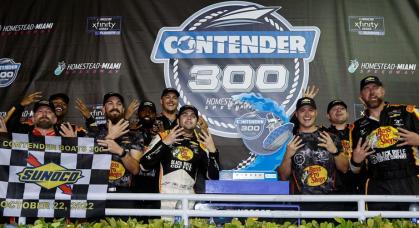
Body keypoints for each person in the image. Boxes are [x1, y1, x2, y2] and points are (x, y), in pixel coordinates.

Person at [350, 76, 419, 211]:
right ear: (361, 96)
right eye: (366, 89)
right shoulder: (356, 127)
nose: (372, 92)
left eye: (375, 88)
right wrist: (356, 161)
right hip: (378, 186)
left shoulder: (408, 112)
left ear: (383, 91)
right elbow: (354, 169)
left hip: (410, 181)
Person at [140, 105, 220, 219]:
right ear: (178, 120)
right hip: (164, 197)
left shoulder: (202, 144)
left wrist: (213, 152)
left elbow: (213, 177)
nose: (189, 117)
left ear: (197, 122)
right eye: (185, 115)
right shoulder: (164, 136)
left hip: (188, 199)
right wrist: (165, 143)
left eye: (193, 116)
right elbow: (143, 165)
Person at [278, 97, 348, 210]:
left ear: (316, 112)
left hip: (331, 202)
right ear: (296, 114)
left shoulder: (330, 137)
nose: (307, 114)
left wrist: (334, 151)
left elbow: (344, 168)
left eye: (310, 110)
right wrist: (287, 156)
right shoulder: (288, 141)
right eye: (302, 110)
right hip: (302, 203)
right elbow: (283, 177)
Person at [87, 92, 142, 209]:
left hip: (123, 194)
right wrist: (110, 137)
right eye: (110, 103)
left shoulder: (134, 135)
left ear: (123, 109)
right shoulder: (92, 133)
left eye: (118, 104)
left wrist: (120, 152)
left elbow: (135, 170)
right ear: (103, 109)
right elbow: (86, 162)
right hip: (96, 193)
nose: (115, 106)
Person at [131, 100, 161, 212]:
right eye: (144, 111)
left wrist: (163, 136)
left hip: (155, 184)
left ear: (156, 115)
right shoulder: (131, 132)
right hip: (136, 183)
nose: (147, 113)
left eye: (150, 111)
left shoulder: (162, 134)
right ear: (138, 114)